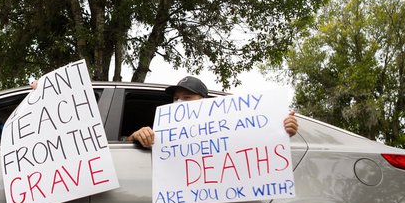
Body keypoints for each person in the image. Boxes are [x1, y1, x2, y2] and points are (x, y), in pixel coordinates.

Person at [128, 75, 299, 148]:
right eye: (175, 98)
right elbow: (128, 148)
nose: (178, 103)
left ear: (204, 101)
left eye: (187, 98)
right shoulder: (162, 130)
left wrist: (282, 131)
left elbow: (253, 143)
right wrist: (137, 136)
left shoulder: (224, 128)